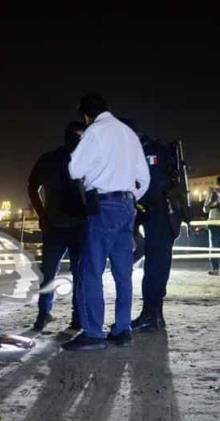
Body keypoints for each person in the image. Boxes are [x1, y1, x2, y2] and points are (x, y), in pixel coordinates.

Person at [62, 94, 150, 351]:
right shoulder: (128, 133)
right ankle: (123, 329)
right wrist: (130, 198)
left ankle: (93, 332)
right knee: (124, 272)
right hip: (127, 205)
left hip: (103, 205)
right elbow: (143, 178)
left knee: (91, 270)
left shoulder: (94, 131)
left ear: (86, 115)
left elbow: (74, 170)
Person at [27, 121, 87, 331]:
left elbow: (32, 187)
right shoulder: (83, 158)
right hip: (67, 225)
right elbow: (32, 186)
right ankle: (70, 316)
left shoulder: (48, 159)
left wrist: (42, 214)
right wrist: (42, 214)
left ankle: (46, 315)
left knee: (50, 272)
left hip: (63, 225)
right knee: (75, 273)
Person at [129, 127, 181, 332]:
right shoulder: (151, 149)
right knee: (155, 266)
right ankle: (153, 315)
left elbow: (152, 187)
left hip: (161, 215)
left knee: (155, 268)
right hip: (160, 215)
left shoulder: (150, 152)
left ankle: (152, 317)